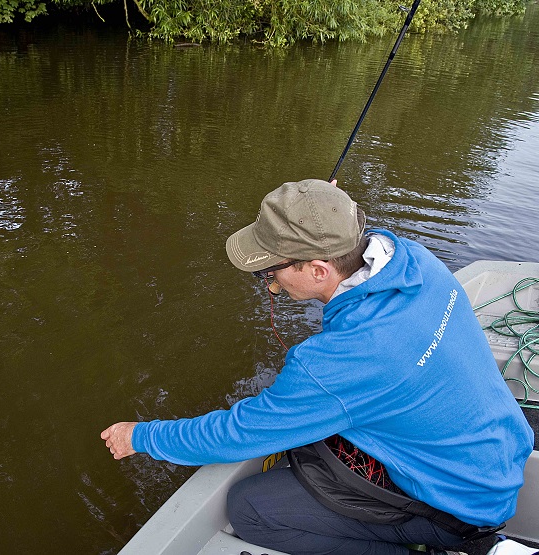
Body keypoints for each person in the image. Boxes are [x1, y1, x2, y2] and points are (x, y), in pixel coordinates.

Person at [101, 178, 534, 555]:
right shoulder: (414, 260)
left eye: (271, 270)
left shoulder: (338, 361)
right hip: (500, 460)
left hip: (458, 508)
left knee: (252, 509)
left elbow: (239, 432)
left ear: (318, 269)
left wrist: (141, 435)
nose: (270, 282)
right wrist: (327, 209)